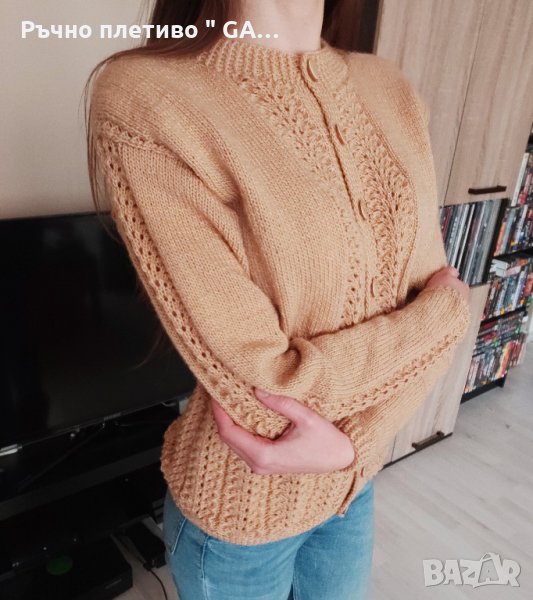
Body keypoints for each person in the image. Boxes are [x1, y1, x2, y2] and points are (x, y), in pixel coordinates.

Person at [85, 0, 471, 598]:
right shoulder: (149, 96)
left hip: (353, 486)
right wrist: (443, 316)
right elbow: (262, 391)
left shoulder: (388, 87)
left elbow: (432, 297)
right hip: (239, 517)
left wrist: (353, 447)